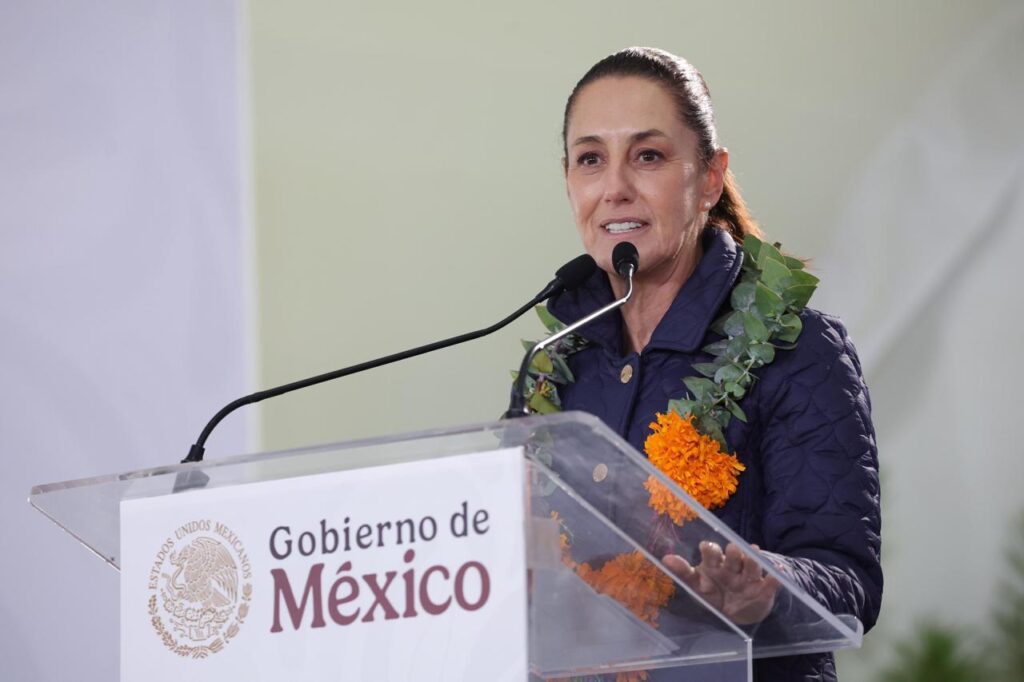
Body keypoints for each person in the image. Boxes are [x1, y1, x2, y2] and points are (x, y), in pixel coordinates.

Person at [544, 47, 882, 681]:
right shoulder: (554, 367)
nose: (615, 187)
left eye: (648, 155)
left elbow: (849, 582)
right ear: (569, 182)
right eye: (591, 159)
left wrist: (767, 585)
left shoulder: (799, 351)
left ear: (709, 178)